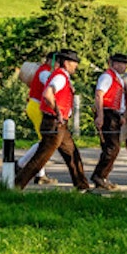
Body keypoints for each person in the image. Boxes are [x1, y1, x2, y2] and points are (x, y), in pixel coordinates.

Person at [15, 49, 91, 191]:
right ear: (67, 63)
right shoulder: (60, 77)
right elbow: (48, 94)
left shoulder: (61, 75)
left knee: (73, 155)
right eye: (75, 63)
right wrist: (58, 112)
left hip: (59, 125)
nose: (76, 66)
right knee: (40, 158)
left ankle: (83, 187)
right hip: (54, 123)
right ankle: (16, 187)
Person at [16, 52, 58, 185]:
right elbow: (51, 89)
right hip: (37, 106)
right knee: (45, 141)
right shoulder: (45, 73)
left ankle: (24, 165)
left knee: (44, 141)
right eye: (58, 62)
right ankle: (32, 170)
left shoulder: (43, 71)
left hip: (35, 105)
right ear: (51, 61)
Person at [90, 52, 127, 190]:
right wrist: (100, 115)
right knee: (112, 147)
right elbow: (99, 94)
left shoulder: (117, 78)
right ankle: (99, 176)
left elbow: (119, 99)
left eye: (125, 64)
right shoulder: (107, 76)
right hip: (108, 113)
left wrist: (121, 114)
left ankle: (103, 177)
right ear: (114, 64)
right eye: (122, 63)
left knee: (111, 148)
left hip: (114, 114)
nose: (124, 66)